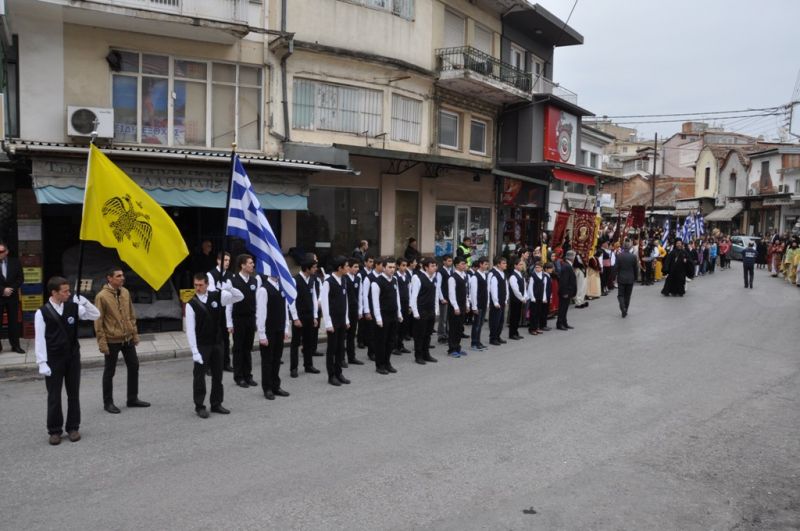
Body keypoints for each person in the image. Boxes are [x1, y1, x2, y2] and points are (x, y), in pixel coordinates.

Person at [35, 276, 100, 445]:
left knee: (73, 394)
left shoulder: (73, 306)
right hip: (53, 359)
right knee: (54, 396)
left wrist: (84, 302)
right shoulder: (42, 312)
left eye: (69, 290)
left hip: (72, 357)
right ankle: (54, 430)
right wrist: (42, 362)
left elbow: (95, 315)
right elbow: (40, 340)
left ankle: (73, 427)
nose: (68, 293)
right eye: (65, 291)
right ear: (54, 292)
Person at [186, 273, 243, 418]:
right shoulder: (191, 304)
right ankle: (199, 406)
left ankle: (216, 403)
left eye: (200, 285)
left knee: (218, 375)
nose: (197, 288)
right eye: (195, 285)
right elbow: (190, 330)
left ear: (206, 284)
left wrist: (229, 289)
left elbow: (239, 297)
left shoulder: (217, 296)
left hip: (217, 343)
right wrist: (194, 351)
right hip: (202, 345)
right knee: (199, 376)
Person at [95, 267, 150, 414]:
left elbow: (131, 314)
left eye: (122, 275)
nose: (122, 278)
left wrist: (135, 334)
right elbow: (98, 321)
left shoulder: (125, 292)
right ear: (109, 278)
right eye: (118, 276)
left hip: (128, 337)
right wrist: (102, 343)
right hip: (112, 339)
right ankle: (108, 402)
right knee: (109, 371)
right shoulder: (102, 296)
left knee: (134, 366)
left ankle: (132, 398)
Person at [255, 268, 291, 400]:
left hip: (279, 328)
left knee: (277, 359)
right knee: (267, 360)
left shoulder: (282, 287)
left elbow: (285, 309)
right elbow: (261, 313)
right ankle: (267, 388)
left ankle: (276, 385)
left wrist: (286, 328)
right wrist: (262, 334)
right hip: (268, 330)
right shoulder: (264, 289)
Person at [227, 254, 261, 388]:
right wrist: (229, 323)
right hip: (238, 318)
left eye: (252, 263)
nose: (253, 265)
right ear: (242, 265)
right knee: (238, 348)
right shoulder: (233, 281)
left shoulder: (254, 281)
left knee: (248, 348)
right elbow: (228, 305)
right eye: (250, 263)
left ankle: (248, 375)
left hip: (250, 318)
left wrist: (257, 321)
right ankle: (239, 376)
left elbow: (257, 302)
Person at [319, 256, 351, 387]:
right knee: (332, 349)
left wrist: (347, 319)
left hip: (342, 320)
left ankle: (339, 373)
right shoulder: (328, 281)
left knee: (340, 348)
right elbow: (324, 304)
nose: (348, 268)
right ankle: (331, 375)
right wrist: (328, 323)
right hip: (333, 321)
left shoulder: (343, 280)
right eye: (347, 266)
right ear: (340, 268)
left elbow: (346, 301)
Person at [288, 258, 321, 378]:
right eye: (313, 267)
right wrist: (295, 318)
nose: (315, 269)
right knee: (295, 343)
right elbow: (291, 300)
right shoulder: (295, 279)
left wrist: (315, 316)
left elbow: (314, 298)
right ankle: (293, 368)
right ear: (307, 268)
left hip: (309, 316)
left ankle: (308, 365)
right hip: (299, 315)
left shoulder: (312, 279)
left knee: (309, 342)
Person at [371, 258, 403, 375]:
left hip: (393, 315)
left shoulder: (394, 280)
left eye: (394, 267)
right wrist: (378, 318)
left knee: (391, 341)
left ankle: (387, 362)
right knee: (381, 342)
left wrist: (399, 313)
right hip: (383, 316)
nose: (392, 270)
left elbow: (397, 297)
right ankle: (380, 365)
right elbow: (375, 302)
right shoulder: (376, 282)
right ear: (383, 268)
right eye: (389, 267)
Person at [207, 251, 234, 372]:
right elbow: (212, 293)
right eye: (225, 260)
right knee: (213, 339)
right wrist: (224, 291)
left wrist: (223, 291)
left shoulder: (231, 275)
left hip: (226, 310)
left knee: (226, 338)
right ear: (218, 261)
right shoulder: (210, 275)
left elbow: (232, 294)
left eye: (228, 260)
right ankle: (209, 366)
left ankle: (225, 363)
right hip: (214, 312)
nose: (227, 262)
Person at [410, 258, 438, 365]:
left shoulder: (434, 278)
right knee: (419, 335)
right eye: (432, 265)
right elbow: (414, 297)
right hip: (421, 311)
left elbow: (435, 295)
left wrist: (436, 310)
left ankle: (426, 354)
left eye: (435, 265)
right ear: (426, 267)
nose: (434, 267)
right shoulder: (418, 278)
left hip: (430, 310)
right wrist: (416, 312)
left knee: (428, 334)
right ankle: (418, 355)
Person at [0, 241, 25, 353]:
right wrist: (2, 290)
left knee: (13, 322)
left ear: (7, 252)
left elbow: (20, 279)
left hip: (12, 296)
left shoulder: (15, 262)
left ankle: (15, 345)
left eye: (1, 251)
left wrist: (11, 289)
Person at [447, 256, 470, 358]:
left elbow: (466, 293)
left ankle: (458, 347)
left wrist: (467, 304)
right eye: (462, 263)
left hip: (462, 305)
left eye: (465, 264)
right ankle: (452, 349)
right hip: (455, 307)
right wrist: (456, 307)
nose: (464, 265)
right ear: (456, 265)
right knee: (453, 328)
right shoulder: (452, 278)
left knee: (460, 328)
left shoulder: (464, 276)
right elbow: (451, 294)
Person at [343, 258, 365, 367]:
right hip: (345, 311)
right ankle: (341, 358)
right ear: (349, 267)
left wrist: (360, 310)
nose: (357, 269)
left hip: (354, 310)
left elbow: (360, 295)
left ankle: (351, 357)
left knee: (352, 335)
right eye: (355, 267)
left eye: (358, 267)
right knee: (343, 336)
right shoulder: (344, 279)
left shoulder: (357, 279)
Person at [468, 257, 489, 352]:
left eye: (487, 264)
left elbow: (486, 290)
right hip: (478, 304)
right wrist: (474, 306)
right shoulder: (474, 277)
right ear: (480, 264)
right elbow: (473, 292)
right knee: (476, 324)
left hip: (484, 303)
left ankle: (478, 341)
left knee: (480, 324)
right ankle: (474, 343)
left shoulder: (485, 275)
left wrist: (487, 302)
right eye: (485, 264)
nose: (487, 266)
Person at [614, 239, 639, 318]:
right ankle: (625, 309)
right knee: (627, 295)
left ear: (623, 247)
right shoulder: (633, 257)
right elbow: (636, 268)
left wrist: (613, 276)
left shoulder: (619, 256)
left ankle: (622, 308)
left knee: (620, 295)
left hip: (621, 278)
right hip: (630, 279)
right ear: (630, 247)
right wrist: (635, 277)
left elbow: (616, 268)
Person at [488, 256, 508, 346]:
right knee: (495, 320)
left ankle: (498, 336)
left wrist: (506, 298)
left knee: (501, 320)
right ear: (498, 264)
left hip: (502, 300)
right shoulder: (493, 273)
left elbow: (506, 286)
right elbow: (492, 289)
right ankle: (493, 338)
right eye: (503, 263)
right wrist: (495, 301)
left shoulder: (503, 273)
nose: (505, 265)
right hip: (496, 301)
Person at [394, 257, 412, 355]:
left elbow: (409, 290)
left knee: (404, 325)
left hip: (405, 302)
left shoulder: (407, 276)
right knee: (397, 326)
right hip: (398, 303)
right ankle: (395, 346)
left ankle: (401, 345)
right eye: (403, 265)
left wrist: (410, 305)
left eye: (405, 265)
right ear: (398, 266)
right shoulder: (395, 276)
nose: (404, 267)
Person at [526, 261, 550, 335]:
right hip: (534, 298)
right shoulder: (533, 276)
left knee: (538, 313)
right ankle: (532, 329)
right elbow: (530, 287)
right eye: (536, 267)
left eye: (539, 267)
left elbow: (544, 288)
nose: (537, 269)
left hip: (540, 297)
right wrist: (532, 297)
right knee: (533, 314)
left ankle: (537, 327)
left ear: (542, 268)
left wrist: (544, 298)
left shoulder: (544, 276)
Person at [507, 258, 527, 340]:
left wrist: (525, 296)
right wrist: (521, 298)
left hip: (520, 299)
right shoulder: (513, 276)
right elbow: (515, 289)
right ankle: (512, 333)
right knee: (514, 317)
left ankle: (516, 331)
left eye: (522, 264)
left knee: (518, 316)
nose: (521, 266)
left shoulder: (520, 274)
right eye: (520, 265)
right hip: (515, 299)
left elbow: (524, 287)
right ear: (515, 266)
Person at [556, 251, 577, 331]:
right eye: (574, 256)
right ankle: (560, 323)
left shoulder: (568, 265)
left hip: (568, 291)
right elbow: (563, 281)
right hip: (565, 292)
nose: (574, 258)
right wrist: (564, 292)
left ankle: (564, 322)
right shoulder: (566, 266)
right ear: (571, 257)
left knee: (565, 308)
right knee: (562, 308)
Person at [435, 255, 453, 344]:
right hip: (444, 298)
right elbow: (438, 286)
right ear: (444, 262)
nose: (450, 262)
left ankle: (447, 333)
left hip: (449, 298)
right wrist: (441, 298)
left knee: (448, 317)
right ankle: (441, 335)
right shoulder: (440, 272)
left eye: (451, 261)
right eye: (449, 261)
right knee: (443, 318)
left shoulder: (450, 271)